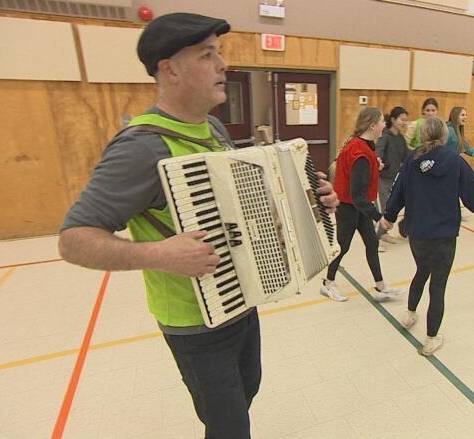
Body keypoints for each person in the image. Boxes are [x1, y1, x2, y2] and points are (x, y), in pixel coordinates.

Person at [57, 13, 339, 439]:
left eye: (219, 53)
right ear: (169, 69)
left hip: (239, 301)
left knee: (245, 395)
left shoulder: (212, 128)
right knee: (229, 427)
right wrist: (156, 254)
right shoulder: (141, 147)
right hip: (193, 322)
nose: (223, 64)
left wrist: (313, 201)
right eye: (208, 55)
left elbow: (246, 203)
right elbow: (73, 240)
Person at [382, 117, 474, 356]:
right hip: (444, 235)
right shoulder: (455, 162)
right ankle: (430, 340)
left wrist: (389, 216)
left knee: (421, 271)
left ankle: (409, 315)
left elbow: (398, 191)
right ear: (445, 136)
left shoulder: (412, 159)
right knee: (438, 285)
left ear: (423, 135)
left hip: (417, 233)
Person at [320, 107, 404, 302]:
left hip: (357, 205)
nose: (385, 124)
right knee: (343, 246)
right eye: (383, 121)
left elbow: (361, 170)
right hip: (350, 206)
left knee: (372, 243)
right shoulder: (361, 153)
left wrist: (376, 164)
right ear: (373, 125)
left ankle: (381, 287)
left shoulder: (361, 145)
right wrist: (380, 217)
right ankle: (328, 283)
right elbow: (358, 197)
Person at [375, 106, 410, 246]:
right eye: (402, 119)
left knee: (392, 207)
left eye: (406, 120)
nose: (404, 122)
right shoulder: (385, 135)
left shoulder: (400, 138)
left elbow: (407, 156)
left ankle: (384, 233)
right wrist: (378, 160)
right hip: (383, 179)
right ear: (394, 120)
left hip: (395, 179)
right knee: (385, 209)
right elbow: (379, 151)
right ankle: (377, 238)